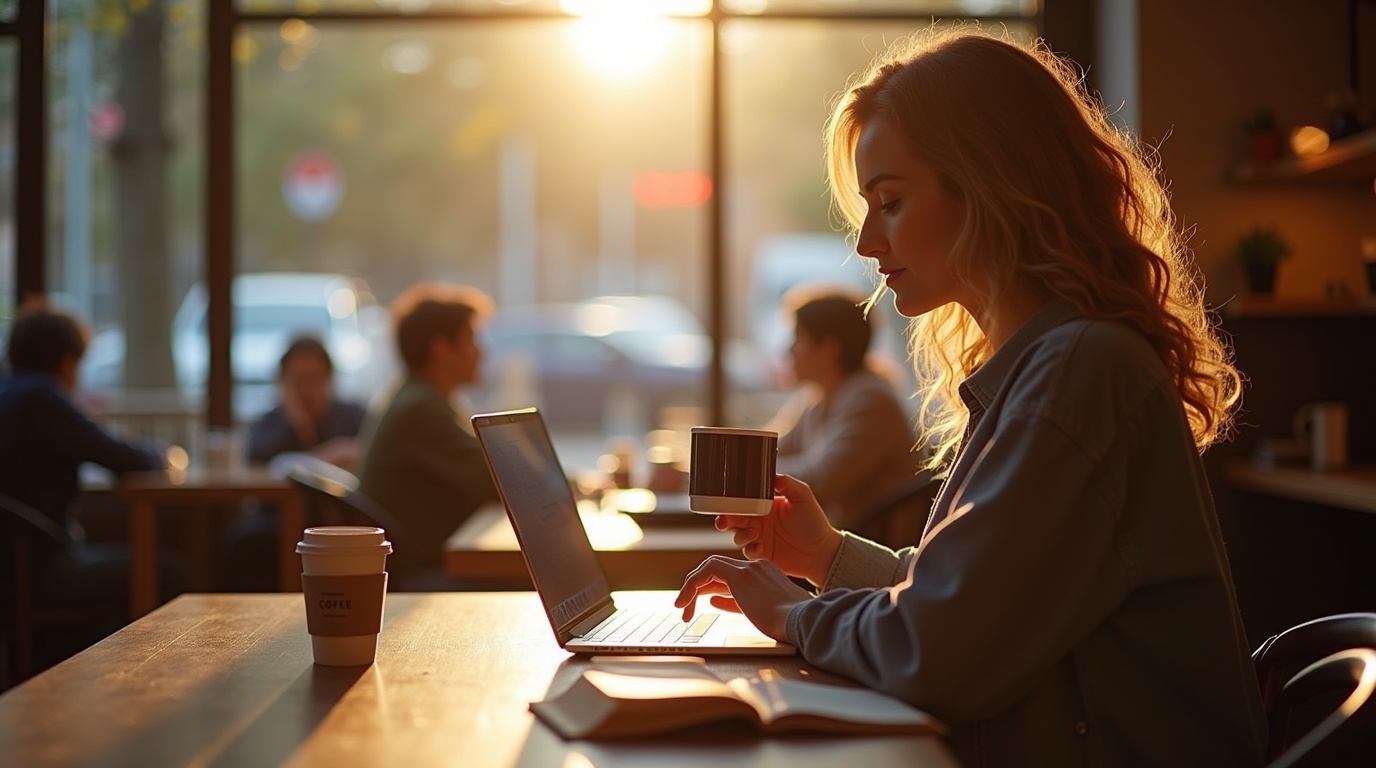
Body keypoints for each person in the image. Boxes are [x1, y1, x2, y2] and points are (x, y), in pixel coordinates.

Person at [675, 28, 1266, 767]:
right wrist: (826, 555)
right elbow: (974, 603)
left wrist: (796, 617)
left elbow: (939, 652)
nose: (865, 241)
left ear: (990, 187)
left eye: (890, 202)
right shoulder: (1048, 365)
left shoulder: (1079, 373)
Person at [0, 303, 181, 649]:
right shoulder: (42, 399)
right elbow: (124, 458)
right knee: (170, 573)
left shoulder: (9, 393)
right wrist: (163, 455)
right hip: (33, 571)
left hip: (15, 566)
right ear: (68, 363)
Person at [356, 282, 499, 576]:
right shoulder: (421, 409)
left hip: (424, 559)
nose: (482, 353)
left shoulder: (421, 398)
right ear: (441, 349)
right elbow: (495, 479)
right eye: (472, 340)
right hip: (422, 572)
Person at [765, 286, 917, 529]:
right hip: (837, 539)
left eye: (798, 338)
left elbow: (819, 481)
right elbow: (770, 453)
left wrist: (739, 472)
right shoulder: (817, 400)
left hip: (868, 547)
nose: (789, 350)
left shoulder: (870, 400)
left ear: (829, 349)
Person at [245, 335, 367, 469]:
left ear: (329, 377)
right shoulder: (271, 425)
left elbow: (370, 451)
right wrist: (301, 425)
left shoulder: (354, 417)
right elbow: (256, 458)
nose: (307, 390)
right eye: (299, 380)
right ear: (283, 381)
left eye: (314, 378)